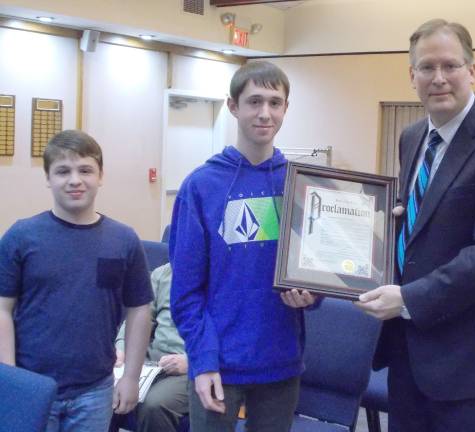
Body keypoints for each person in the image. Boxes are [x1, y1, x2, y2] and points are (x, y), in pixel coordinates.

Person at [356, 19, 475, 432]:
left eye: (450, 66)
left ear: (472, 70)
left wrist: (406, 298)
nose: (438, 78)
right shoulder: (412, 136)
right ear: (412, 76)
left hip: (472, 358)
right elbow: (420, 216)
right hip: (409, 350)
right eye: (426, 67)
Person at [169, 61, 317, 432]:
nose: (264, 113)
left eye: (274, 102)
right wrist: (202, 361)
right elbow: (185, 291)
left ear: (285, 108)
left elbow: (315, 272)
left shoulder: (302, 186)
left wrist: (312, 295)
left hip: (281, 361)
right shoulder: (200, 186)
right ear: (233, 106)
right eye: (253, 102)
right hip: (218, 364)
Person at [0, 130, 153, 432]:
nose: (74, 180)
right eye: (62, 171)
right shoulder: (21, 237)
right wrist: (9, 378)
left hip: (94, 391)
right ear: (47, 178)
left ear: (101, 176)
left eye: (85, 170)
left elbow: (140, 309)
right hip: (32, 386)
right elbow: (2, 309)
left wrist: (131, 377)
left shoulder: (123, 240)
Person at [115, 263, 188, 432]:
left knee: (153, 405)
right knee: (105, 389)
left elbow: (233, 337)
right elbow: (140, 316)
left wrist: (192, 361)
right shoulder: (163, 273)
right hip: (153, 363)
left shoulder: (222, 278)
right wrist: (122, 349)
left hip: (191, 366)